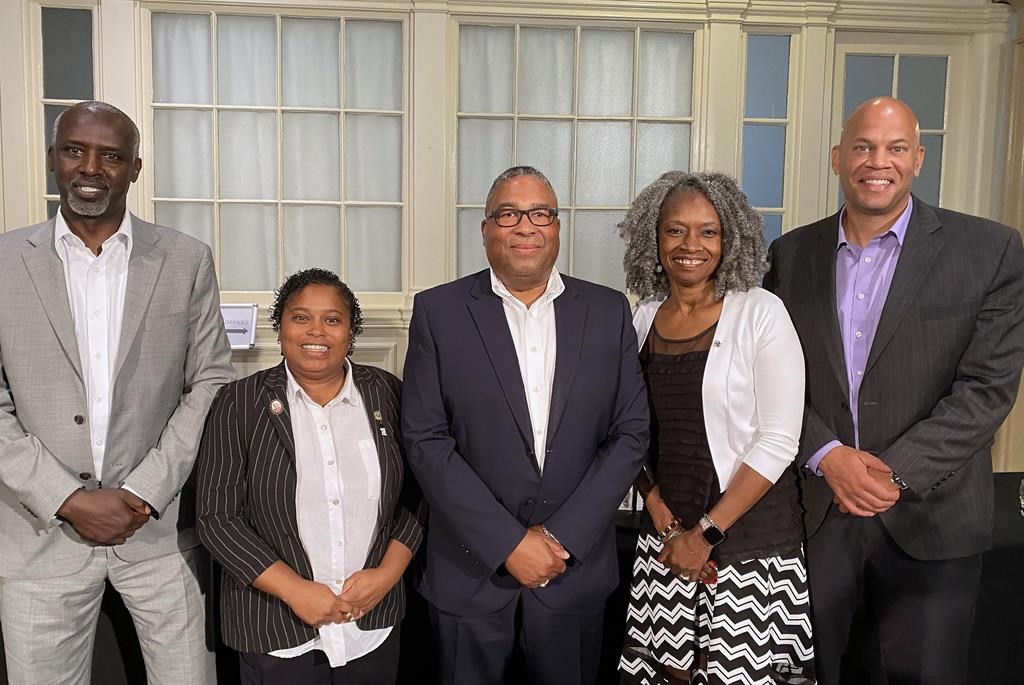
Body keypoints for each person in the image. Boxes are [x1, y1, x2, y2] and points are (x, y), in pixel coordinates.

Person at [763, 96, 1024, 685]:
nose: (877, 161)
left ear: (918, 158)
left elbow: (987, 388)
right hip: (816, 517)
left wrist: (891, 472)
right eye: (862, 146)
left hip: (934, 519)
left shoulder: (989, 250)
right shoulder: (787, 256)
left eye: (895, 147)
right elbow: (771, 381)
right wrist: (829, 456)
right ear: (837, 157)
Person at [0, 100, 234, 683]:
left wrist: (145, 491)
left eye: (111, 156)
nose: (91, 167)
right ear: (53, 158)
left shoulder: (186, 260)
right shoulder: (2, 263)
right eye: (76, 150)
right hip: (38, 533)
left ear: (134, 168)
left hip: (158, 532)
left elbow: (210, 381)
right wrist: (64, 497)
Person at [401, 165, 649, 684]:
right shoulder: (439, 311)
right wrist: (508, 543)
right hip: (469, 570)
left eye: (540, 213)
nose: (525, 226)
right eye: (508, 214)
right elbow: (426, 439)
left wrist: (562, 538)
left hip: (572, 571)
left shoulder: (607, 311)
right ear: (486, 228)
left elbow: (630, 433)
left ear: (557, 227)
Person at [616, 171, 814, 685]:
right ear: (652, 238)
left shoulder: (761, 313)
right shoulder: (642, 318)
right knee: (670, 673)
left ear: (731, 240)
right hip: (667, 534)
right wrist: (663, 517)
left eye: (708, 231)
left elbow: (778, 440)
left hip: (747, 538)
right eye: (675, 230)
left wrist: (706, 533)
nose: (690, 245)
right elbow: (625, 430)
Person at [197, 268, 424, 684]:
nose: (315, 331)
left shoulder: (389, 393)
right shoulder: (239, 402)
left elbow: (417, 497)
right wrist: (295, 591)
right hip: (276, 629)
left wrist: (387, 575)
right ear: (280, 327)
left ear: (350, 331)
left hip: (371, 625)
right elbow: (217, 518)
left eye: (332, 319)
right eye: (300, 317)